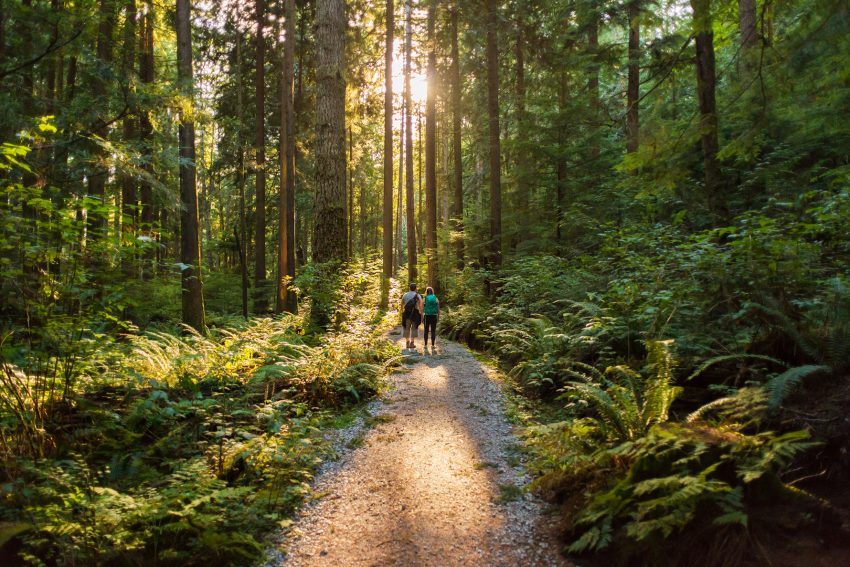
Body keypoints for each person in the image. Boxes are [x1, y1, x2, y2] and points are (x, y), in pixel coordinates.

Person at [401, 283, 423, 350]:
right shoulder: (418, 295)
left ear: (409, 288)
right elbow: (421, 305)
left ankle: (407, 342)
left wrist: (401, 313)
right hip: (415, 314)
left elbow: (401, 304)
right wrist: (421, 314)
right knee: (414, 327)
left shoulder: (405, 295)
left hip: (407, 313)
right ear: (415, 288)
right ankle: (412, 342)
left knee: (406, 327)